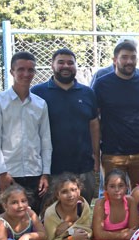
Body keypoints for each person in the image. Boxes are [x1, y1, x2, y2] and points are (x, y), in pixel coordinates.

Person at [32, 48, 101, 204]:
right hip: (52, 169)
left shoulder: (87, 93)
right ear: (52, 65)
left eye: (70, 63)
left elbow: (94, 124)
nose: (66, 66)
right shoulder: (38, 93)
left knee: (81, 213)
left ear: (76, 66)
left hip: (83, 167)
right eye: (61, 62)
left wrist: (96, 156)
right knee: (51, 216)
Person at [0, 51, 52, 215]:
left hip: (34, 172)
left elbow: (45, 141)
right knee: (8, 219)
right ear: (12, 72)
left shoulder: (40, 104)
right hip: (8, 173)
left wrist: (45, 173)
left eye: (30, 70)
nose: (26, 74)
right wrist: (2, 172)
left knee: (33, 218)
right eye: (21, 69)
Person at [94, 40, 139, 189]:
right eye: (124, 57)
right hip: (112, 152)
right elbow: (96, 116)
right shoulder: (101, 84)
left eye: (133, 57)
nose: (129, 61)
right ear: (115, 60)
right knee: (113, 197)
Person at [88, 170, 139, 240]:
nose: (117, 190)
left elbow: (133, 231)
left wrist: (125, 235)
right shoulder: (100, 204)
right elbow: (98, 234)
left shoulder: (130, 201)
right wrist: (123, 235)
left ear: (127, 187)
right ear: (105, 188)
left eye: (121, 186)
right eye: (112, 186)